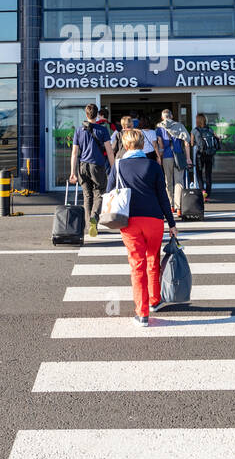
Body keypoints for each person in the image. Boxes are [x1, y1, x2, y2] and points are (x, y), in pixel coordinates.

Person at [106, 127, 177, 327]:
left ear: (126, 144)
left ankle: (142, 313)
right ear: (142, 144)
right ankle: (155, 300)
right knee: (153, 259)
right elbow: (163, 197)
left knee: (137, 265)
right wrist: (171, 224)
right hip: (154, 219)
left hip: (129, 220)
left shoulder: (118, 166)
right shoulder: (154, 166)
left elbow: (109, 191)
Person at [69, 103, 115, 236]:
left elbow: (74, 153)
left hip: (83, 166)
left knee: (87, 195)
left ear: (86, 114)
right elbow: (110, 152)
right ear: (97, 115)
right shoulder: (102, 130)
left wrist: (73, 172)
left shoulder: (78, 130)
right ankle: (95, 217)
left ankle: (89, 224)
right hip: (97, 166)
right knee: (100, 192)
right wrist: (113, 169)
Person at [156, 108, 192, 213]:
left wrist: (159, 156)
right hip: (179, 156)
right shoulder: (180, 126)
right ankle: (179, 207)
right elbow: (186, 143)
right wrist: (188, 158)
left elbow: (160, 144)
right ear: (171, 116)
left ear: (163, 117)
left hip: (167, 157)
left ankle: (170, 205)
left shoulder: (159, 127)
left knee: (168, 181)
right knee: (179, 182)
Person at [190, 113, 218, 199]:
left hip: (200, 154)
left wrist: (197, 143)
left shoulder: (194, 130)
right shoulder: (210, 129)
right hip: (209, 154)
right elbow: (216, 138)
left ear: (197, 120)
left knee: (199, 173)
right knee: (208, 174)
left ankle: (202, 191)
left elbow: (191, 143)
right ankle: (208, 195)